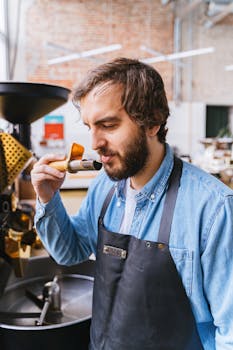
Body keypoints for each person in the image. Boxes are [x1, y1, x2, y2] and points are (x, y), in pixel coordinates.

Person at [31, 57, 233, 350]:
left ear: (152, 122)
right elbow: (70, 252)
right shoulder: (105, 186)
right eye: (89, 126)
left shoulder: (213, 208)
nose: (95, 143)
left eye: (108, 125)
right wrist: (48, 199)